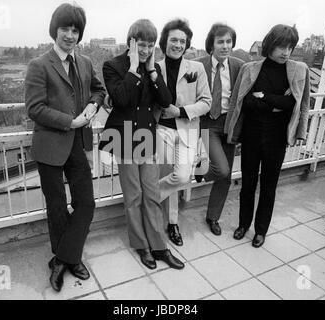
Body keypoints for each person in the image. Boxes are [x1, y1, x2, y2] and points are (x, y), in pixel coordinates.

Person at [24, 3, 106, 292]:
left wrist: (94, 105)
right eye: (65, 29)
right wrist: (70, 122)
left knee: (86, 202)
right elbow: (34, 108)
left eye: (75, 30)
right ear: (54, 30)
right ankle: (67, 260)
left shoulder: (84, 62)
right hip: (50, 144)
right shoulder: (39, 65)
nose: (70, 35)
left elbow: (100, 90)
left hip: (78, 144)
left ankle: (64, 257)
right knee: (56, 206)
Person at [99, 19, 184, 270]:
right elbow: (122, 98)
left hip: (147, 137)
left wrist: (153, 72)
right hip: (124, 137)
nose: (146, 50)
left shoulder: (153, 67)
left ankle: (159, 246)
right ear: (131, 42)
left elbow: (167, 100)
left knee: (152, 193)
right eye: (141, 45)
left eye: (150, 45)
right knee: (133, 196)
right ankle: (141, 246)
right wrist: (135, 68)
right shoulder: (113, 66)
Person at [227, 24, 310, 248]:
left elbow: (294, 103)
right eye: (281, 46)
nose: (286, 52)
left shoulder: (298, 70)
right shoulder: (251, 68)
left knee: (269, 186)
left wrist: (264, 97)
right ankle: (243, 224)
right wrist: (273, 103)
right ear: (270, 45)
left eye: (290, 47)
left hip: (277, 137)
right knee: (248, 183)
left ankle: (261, 230)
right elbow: (243, 102)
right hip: (252, 134)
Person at [156, 19, 211, 246]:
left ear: (187, 44)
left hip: (187, 129)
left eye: (182, 41)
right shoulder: (154, 67)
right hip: (160, 131)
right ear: (164, 42)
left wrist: (179, 111)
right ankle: (171, 223)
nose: (178, 44)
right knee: (166, 173)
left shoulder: (196, 69)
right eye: (173, 40)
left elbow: (207, 102)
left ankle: (146, 199)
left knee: (181, 176)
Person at [196, 23, 244, 236]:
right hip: (208, 123)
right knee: (222, 169)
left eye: (228, 42)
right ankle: (201, 170)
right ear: (212, 44)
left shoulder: (239, 66)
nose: (225, 46)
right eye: (220, 42)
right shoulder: (198, 66)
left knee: (225, 176)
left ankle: (213, 217)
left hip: (229, 124)